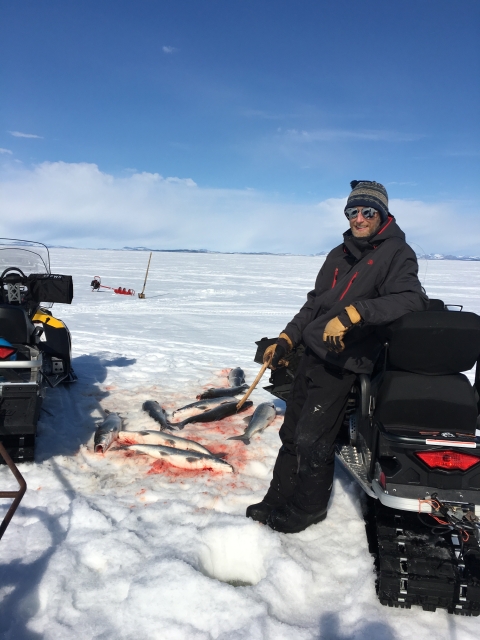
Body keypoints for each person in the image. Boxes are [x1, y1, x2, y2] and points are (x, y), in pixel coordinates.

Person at [247, 180, 428, 534]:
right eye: (352, 212)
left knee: (313, 438)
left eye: (367, 211)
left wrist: (356, 313)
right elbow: (315, 303)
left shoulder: (396, 253)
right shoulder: (339, 253)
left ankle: (307, 508)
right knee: (292, 433)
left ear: (382, 214)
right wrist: (286, 338)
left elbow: (411, 299)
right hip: (313, 354)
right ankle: (277, 497)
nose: (359, 218)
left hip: (348, 360)